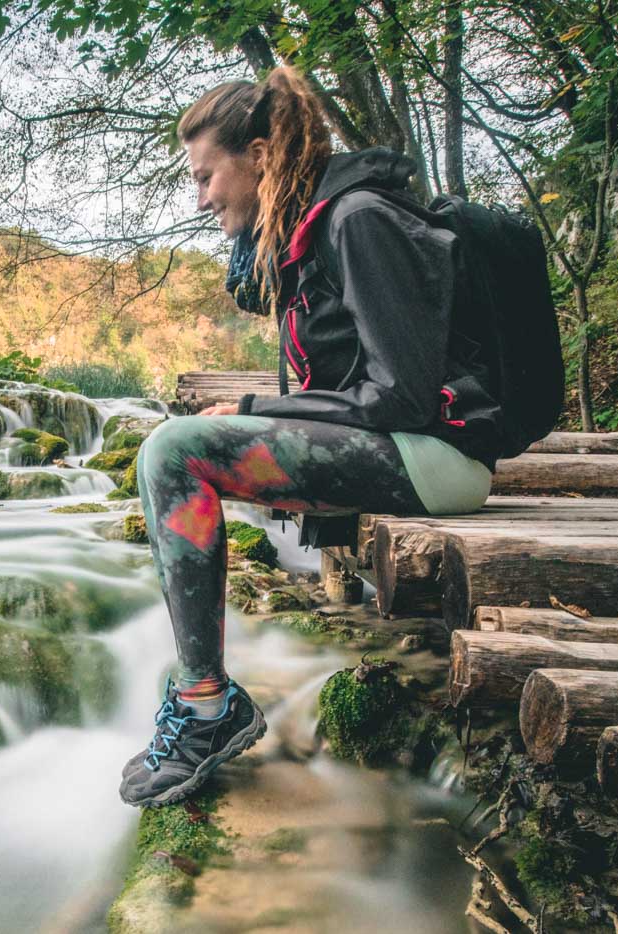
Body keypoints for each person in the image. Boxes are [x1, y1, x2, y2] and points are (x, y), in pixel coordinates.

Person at [119, 65, 503, 808]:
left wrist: (262, 407)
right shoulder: (314, 226)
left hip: (443, 461)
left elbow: (402, 394)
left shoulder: (359, 218)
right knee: (178, 446)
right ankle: (205, 703)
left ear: (260, 155)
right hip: (412, 450)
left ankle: (206, 710)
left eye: (206, 177)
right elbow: (281, 314)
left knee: (173, 450)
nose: (200, 198)